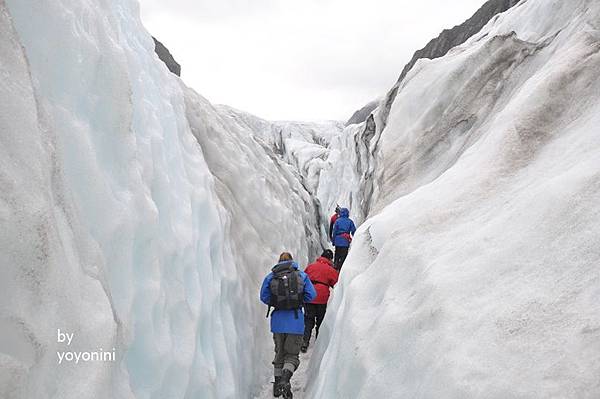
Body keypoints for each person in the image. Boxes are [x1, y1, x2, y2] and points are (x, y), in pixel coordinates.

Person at [260, 252, 316, 399]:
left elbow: (264, 297)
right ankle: (285, 380)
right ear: (292, 261)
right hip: (295, 321)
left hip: (277, 322)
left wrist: (277, 302)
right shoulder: (301, 276)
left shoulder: (271, 277)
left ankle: (277, 386)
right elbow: (312, 295)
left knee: (279, 354)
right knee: (291, 355)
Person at [301, 249, 338, 352]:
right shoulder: (330, 270)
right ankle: (319, 342)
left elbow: (303, 278)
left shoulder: (311, 266)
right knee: (320, 320)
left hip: (309, 295)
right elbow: (336, 282)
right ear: (330, 259)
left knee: (308, 319)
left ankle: (304, 342)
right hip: (322, 297)